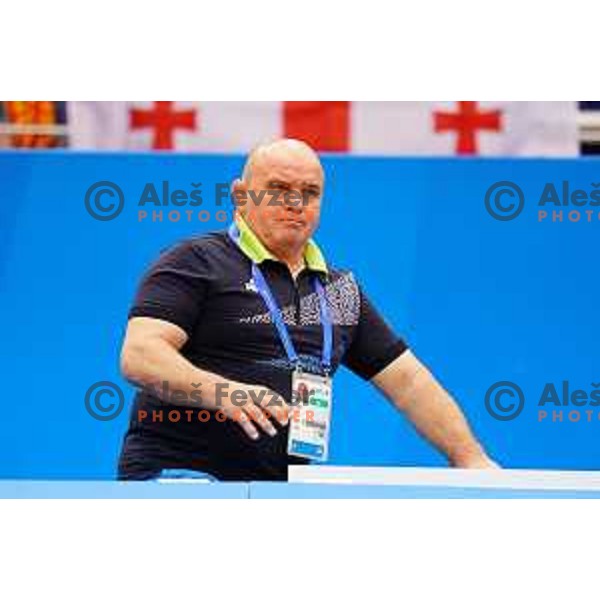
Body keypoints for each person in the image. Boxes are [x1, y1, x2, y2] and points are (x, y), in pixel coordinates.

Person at [117, 138, 497, 481]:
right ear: (240, 196)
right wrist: (224, 393)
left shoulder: (338, 289)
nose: (295, 203)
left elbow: (409, 383)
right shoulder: (196, 260)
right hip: (181, 477)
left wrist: (471, 459)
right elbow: (140, 355)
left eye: (310, 192)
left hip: (280, 490)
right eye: (278, 189)